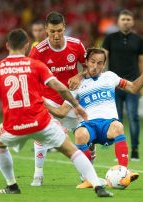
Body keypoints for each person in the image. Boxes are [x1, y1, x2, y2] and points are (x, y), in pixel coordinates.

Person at [0, 28, 113, 197]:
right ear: (26, 46)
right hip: (40, 122)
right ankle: (97, 185)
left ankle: (12, 185)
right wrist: (75, 104)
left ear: (6, 45)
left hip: (13, 125)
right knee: (72, 150)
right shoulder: (36, 65)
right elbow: (59, 87)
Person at [45, 48, 143, 188]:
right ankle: (89, 179)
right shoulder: (76, 85)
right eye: (92, 62)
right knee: (80, 134)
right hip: (89, 125)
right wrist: (42, 103)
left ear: (104, 64)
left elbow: (134, 88)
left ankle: (124, 173)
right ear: (86, 62)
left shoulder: (110, 77)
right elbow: (62, 112)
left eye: (100, 63)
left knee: (118, 127)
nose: (95, 66)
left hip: (108, 124)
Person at [28, 11, 88, 186]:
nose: (56, 35)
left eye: (59, 31)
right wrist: (39, 100)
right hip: (49, 99)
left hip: (72, 98)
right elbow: (30, 78)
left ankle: (85, 175)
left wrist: (80, 75)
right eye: (52, 31)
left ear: (65, 28)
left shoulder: (76, 45)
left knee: (85, 136)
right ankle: (38, 174)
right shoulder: (38, 51)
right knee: (42, 135)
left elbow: (91, 67)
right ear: (46, 29)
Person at [102, 9, 143, 161]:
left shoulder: (139, 40)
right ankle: (119, 150)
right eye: (123, 19)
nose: (126, 21)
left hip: (132, 84)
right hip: (114, 85)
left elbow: (141, 61)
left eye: (128, 19)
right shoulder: (110, 38)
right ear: (118, 22)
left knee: (133, 117)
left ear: (132, 22)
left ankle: (134, 150)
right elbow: (103, 58)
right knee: (116, 118)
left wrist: (142, 84)